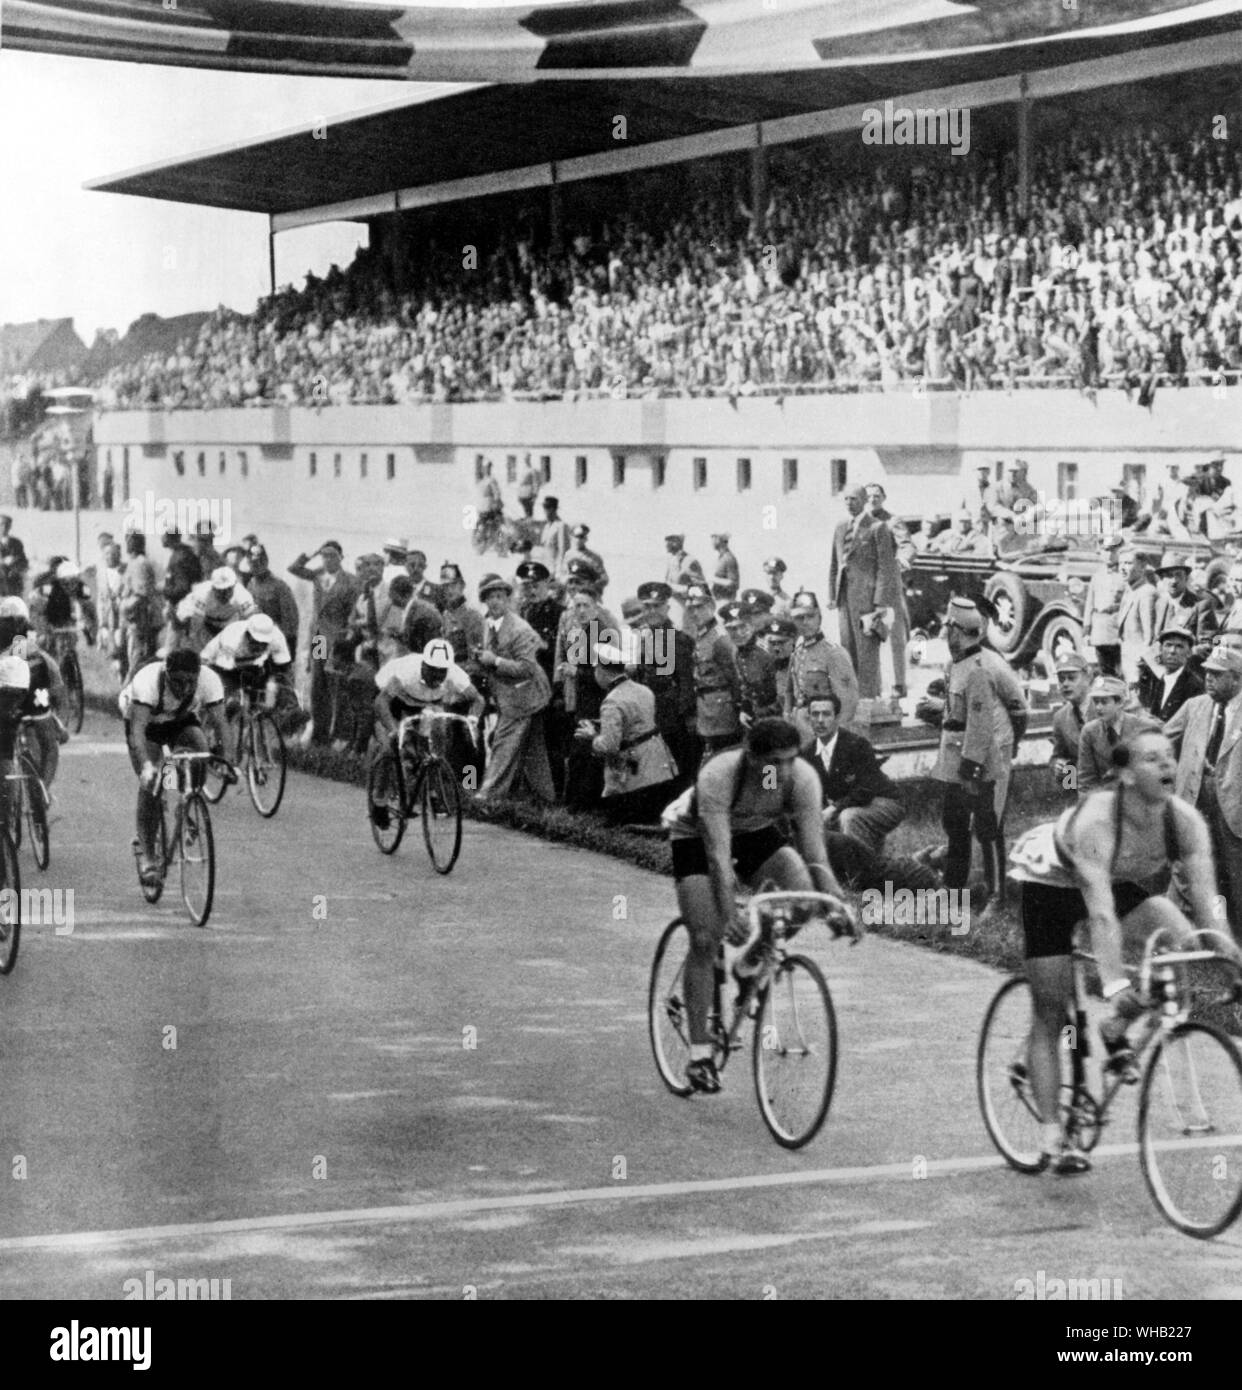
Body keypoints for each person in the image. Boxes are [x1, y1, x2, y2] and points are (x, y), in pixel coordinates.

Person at [1009, 727, 1225, 1173]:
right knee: (1052, 1012)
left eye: (1169, 756)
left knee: (1177, 939)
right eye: (1152, 759)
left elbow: (1210, 911)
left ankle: (1115, 1029)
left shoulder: (1184, 822)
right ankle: (1054, 1133)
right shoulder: (1098, 819)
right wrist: (1113, 982)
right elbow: (1101, 915)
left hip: (1114, 882)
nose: (1166, 765)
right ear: (1125, 774)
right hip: (1050, 887)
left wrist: (1233, 970)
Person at [662, 718, 859, 1094]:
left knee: (802, 899)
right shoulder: (720, 775)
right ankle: (700, 1054)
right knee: (706, 937)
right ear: (751, 757)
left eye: (791, 759)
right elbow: (720, 859)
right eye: (774, 762)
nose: (783, 771)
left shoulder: (801, 779)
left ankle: (751, 961)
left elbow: (816, 855)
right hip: (698, 840)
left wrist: (837, 905)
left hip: (754, 834)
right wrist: (729, 911)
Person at [920, 598, 1027, 911]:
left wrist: (1004, 749)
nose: (943, 631)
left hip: (982, 756)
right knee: (955, 824)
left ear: (958, 630)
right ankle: (953, 887)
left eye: (947, 626)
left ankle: (996, 894)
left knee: (988, 826)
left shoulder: (987, 666)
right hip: (957, 756)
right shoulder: (954, 664)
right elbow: (958, 712)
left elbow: (1017, 710)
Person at [119, 647, 228, 885]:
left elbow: (221, 724)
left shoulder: (209, 680)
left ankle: (185, 801)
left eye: (191, 682)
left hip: (179, 719)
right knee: (151, 783)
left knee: (200, 750)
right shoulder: (147, 682)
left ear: (199, 675)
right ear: (166, 673)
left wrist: (227, 762)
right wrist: (147, 765)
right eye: (177, 682)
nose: (185, 688)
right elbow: (137, 733)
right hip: (145, 722)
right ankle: (147, 857)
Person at [1165, 645, 1242, 934]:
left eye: (1217, 675)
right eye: (1207, 673)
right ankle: (1216, 930)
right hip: (1197, 803)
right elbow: (1162, 737)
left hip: (1234, 808)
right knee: (1208, 871)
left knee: (1235, 872)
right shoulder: (1195, 706)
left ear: (1236, 679)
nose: (1208, 679)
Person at [474, 574, 555, 804]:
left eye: (500, 596)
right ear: (485, 601)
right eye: (491, 597)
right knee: (533, 751)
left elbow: (527, 668)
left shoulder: (519, 628)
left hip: (525, 695)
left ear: (508, 599)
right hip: (512, 695)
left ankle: (488, 796)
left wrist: (494, 661)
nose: (496, 602)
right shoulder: (488, 624)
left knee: (504, 741)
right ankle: (544, 798)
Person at [578, 642, 678, 824]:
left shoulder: (612, 701)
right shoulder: (644, 690)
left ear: (602, 671)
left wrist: (592, 736)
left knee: (619, 821)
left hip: (635, 779)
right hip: (660, 771)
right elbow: (637, 722)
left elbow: (609, 746)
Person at [371, 637, 485, 798]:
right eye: (432, 670)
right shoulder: (406, 672)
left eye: (442, 671)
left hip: (425, 701)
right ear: (423, 665)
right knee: (390, 747)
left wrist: (472, 720)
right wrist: (392, 730)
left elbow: (478, 699)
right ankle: (379, 798)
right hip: (393, 701)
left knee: (438, 736)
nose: (437, 676)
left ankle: (432, 790)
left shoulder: (455, 674)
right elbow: (381, 702)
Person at [803, 692, 904, 853]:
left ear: (837, 718)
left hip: (884, 800)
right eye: (815, 714)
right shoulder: (808, 753)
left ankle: (857, 872)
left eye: (826, 714)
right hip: (851, 804)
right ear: (809, 718)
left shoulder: (856, 745)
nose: (820, 720)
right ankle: (879, 873)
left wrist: (834, 808)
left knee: (850, 818)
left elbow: (867, 789)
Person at [828, 487, 901, 701]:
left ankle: (869, 699)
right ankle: (851, 699)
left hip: (867, 600)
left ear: (863, 501)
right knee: (847, 648)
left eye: (854, 499)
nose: (849, 503)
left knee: (867, 651)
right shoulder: (841, 526)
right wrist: (832, 594)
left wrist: (880, 602)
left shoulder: (878, 528)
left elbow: (885, 567)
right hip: (844, 598)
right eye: (846, 499)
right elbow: (835, 562)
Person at [288, 541, 361, 745]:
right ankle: (319, 734)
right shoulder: (318, 574)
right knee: (318, 685)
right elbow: (294, 568)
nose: (328, 559)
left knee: (336, 686)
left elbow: (352, 612)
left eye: (332, 555)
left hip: (337, 638)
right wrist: (311, 553)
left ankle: (339, 734)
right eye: (325, 555)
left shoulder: (350, 581)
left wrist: (346, 638)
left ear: (340, 558)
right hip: (320, 638)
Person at [200, 611, 302, 745]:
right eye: (256, 642)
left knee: (279, 682)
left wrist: (286, 695)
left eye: (263, 643)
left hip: (252, 663)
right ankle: (211, 734)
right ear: (247, 635)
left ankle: (289, 720)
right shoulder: (232, 638)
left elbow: (284, 669)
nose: (259, 646)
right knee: (225, 700)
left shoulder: (277, 638)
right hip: (217, 662)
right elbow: (227, 673)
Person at [0, 597, 67, 793]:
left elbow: (21, 658)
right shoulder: (24, 636)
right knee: (48, 739)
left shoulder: (21, 639)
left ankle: (40, 791)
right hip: (22, 683)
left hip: (23, 682)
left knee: (45, 738)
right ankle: (41, 792)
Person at [786, 589, 859, 741]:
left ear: (820, 617)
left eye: (811, 616)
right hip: (799, 730)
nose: (805, 622)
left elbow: (847, 702)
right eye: (799, 618)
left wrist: (834, 740)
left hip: (822, 731)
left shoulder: (834, 653)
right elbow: (790, 693)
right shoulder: (796, 653)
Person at [685, 583, 743, 762]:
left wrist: (738, 709)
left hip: (723, 714)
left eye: (700, 607)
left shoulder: (720, 639)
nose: (695, 613)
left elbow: (735, 678)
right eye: (691, 608)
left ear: (711, 606)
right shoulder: (702, 635)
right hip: (707, 711)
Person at [1076, 675, 1160, 797]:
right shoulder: (1089, 732)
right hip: (1106, 801)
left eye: (1104, 702)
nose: (1098, 707)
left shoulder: (1146, 727)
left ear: (1120, 702)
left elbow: (1158, 773)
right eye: (1096, 702)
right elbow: (1086, 779)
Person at [719, 601, 779, 721]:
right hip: (756, 716)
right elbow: (746, 686)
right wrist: (745, 709)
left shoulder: (768, 650)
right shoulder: (736, 652)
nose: (738, 633)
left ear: (752, 625)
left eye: (743, 626)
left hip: (776, 715)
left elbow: (784, 688)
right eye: (731, 629)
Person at [175, 566, 258, 653]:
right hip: (204, 623)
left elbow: (251, 622)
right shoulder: (202, 593)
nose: (224, 595)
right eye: (220, 590)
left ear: (234, 586)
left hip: (228, 624)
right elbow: (196, 624)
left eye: (228, 589)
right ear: (213, 587)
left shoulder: (243, 596)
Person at [245, 545, 300, 662]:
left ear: (266, 561)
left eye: (260, 561)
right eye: (253, 562)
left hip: (276, 643)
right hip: (256, 643)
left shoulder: (280, 587)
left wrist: (285, 648)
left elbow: (291, 622)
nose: (256, 566)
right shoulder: (251, 585)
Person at [1048, 652, 1093, 795]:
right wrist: (1058, 766)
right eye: (1061, 679)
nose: (1065, 684)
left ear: (1087, 677)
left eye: (1072, 678)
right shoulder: (1060, 718)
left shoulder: (1105, 707)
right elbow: (1060, 757)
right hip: (1082, 796)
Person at [1139, 624, 1204, 723]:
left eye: (1179, 647)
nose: (1172, 651)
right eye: (1168, 645)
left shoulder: (1194, 685)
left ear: (1189, 653)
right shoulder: (1156, 680)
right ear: (1160, 649)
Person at [1082, 539, 1126, 677]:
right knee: (1104, 672)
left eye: (1113, 550)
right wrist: (1087, 631)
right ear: (1100, 552)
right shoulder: (1097, 576)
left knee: (1121, 671)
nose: (1109, 554)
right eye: (1106, 550)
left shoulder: (1124, 575)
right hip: (1100, 630)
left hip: (1117, 630)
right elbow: (1090, 604)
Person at [119, 532, 161, 677]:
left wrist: (125, 607)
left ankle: (130, 687)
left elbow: (141, 595)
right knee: (132, 655)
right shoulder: (135, 562)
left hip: (139, 619)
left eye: (133, 542)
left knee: (136, 655)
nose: (130, 545)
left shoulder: (140, 563)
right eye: (128, 541)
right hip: (134, 619)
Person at [663, 533, 706, 611]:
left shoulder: (690, 561)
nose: (666, 544)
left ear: (676, 542)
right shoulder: (671, 560)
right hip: (671, 608)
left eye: (669, 540)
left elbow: (702, 589)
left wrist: (677, 589)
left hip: (687, 610)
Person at [539, 496, 573, 581]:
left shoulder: (561, 526)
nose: (545, 511)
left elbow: (563, 550)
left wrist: (558, 572)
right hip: (545, 569)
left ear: (554, 509)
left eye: (548, 507)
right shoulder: (547, 526)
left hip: (556, 571)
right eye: (544, 507)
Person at [568, 526, 609, 594]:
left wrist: (592, 586)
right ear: (571, 538)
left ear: (585, 539)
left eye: (581, 537)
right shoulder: (567, 555)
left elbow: (604, 578)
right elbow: (562, 575)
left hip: (587, 593)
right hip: (571, 593)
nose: (578, 540)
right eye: (576, 537)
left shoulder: (594, 557)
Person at [0, 515, 29, 599]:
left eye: (7, 525)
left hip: (14, 580)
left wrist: (15, 567)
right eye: (1, 524)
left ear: (10, 526)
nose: (4, 527)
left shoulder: (16, 543)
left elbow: (24, 561)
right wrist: (3, 561)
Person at [709, 532, 740, 602]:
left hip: (725, 601)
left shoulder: (729, 558)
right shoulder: (722, 557)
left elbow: (733, 583)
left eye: (714, 538)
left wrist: (713, 579)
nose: (712, 542)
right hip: (718, 599)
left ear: (720, 541)